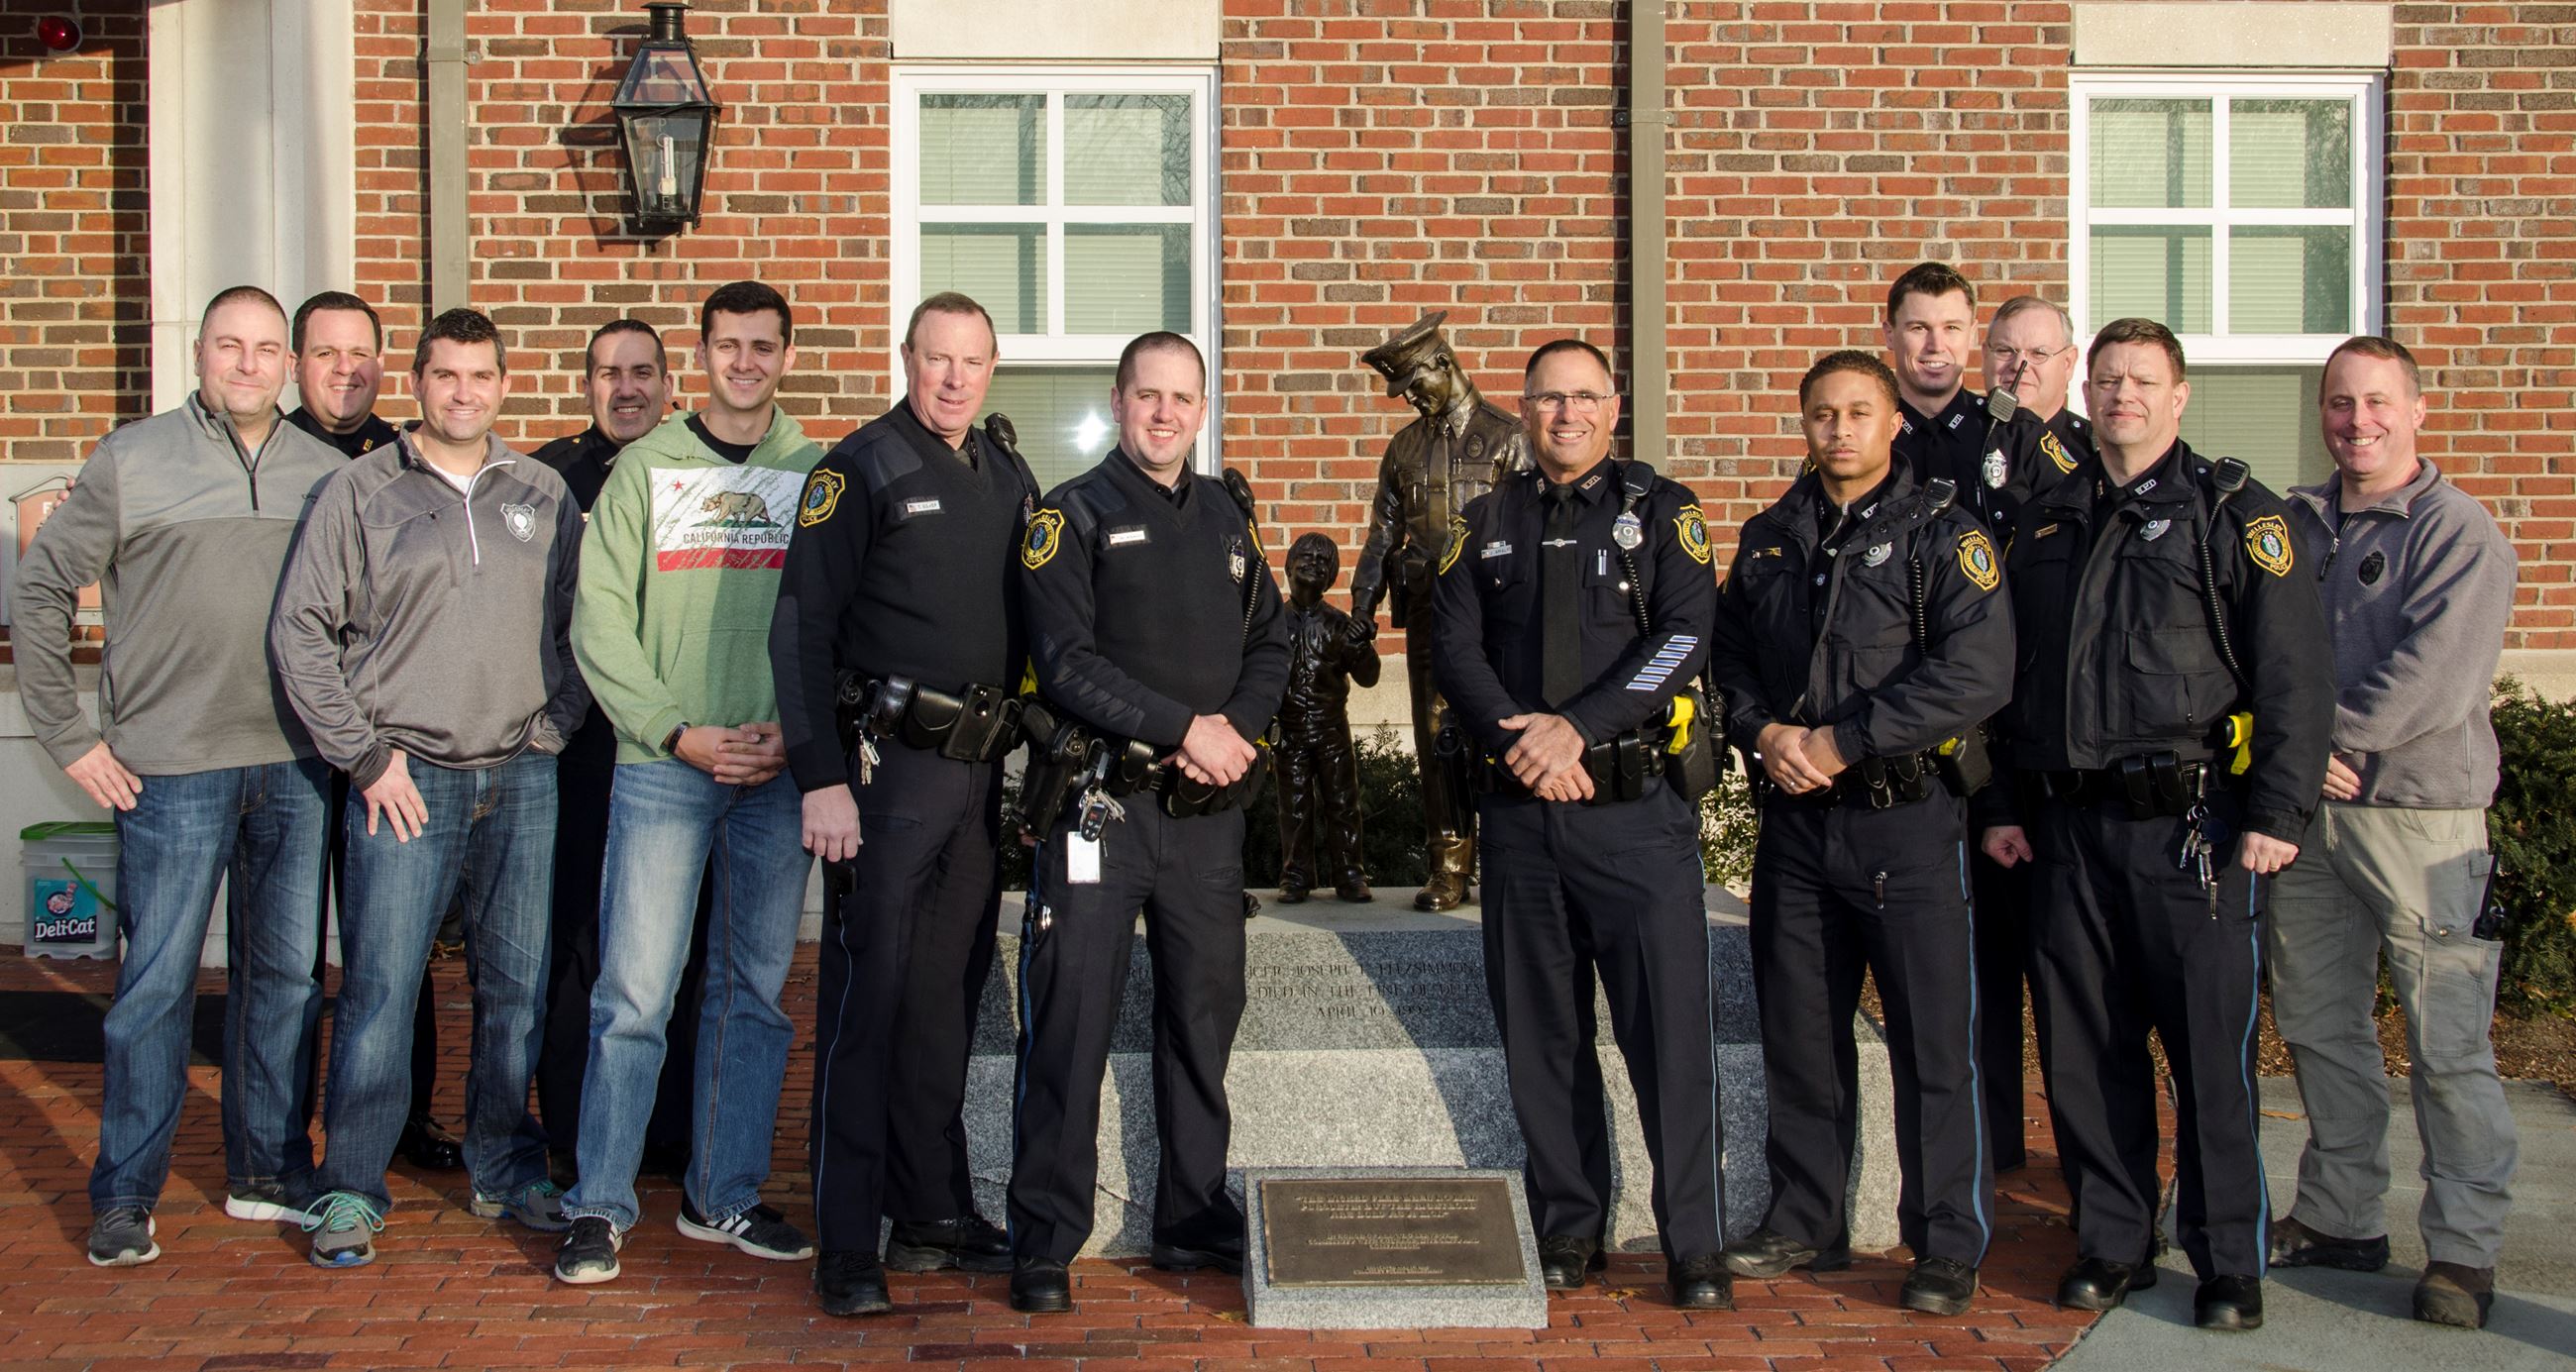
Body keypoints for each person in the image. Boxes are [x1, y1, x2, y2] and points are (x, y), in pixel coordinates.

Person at [1981, 318, 2332, 1332]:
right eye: (2106, 379)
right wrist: (2000, 803)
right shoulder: (2044, 520)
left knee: (2207, 1059)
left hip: (2194, 833)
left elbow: (2293, 676)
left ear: (2178, 397)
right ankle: (2112, 1238)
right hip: (2066, 831)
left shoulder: (2233, 513)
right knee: (2085, 1051)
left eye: (2142, 379)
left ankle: (2228, 1257)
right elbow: (2007, 683)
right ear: (2084, 394)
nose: (2121, 393)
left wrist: (2276, 808)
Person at [15, 285, 345, 1267]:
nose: (246, 363)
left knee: (284, 981)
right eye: (227, 345)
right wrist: (67, 733)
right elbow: (38, 587)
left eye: (264, 348)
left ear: (288, 364)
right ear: (197, 353)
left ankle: (269, 1166)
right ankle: (125, 1191)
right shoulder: (132, 458)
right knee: (154, 986)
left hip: (292, 767)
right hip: (168, 770)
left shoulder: (327, 474)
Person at [268, 307, 588, 1267]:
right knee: (377, 989)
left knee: (516, 991)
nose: (462, 391)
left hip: (521, 777)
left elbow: (586, 625)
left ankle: (502, 1160)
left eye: (479, 375)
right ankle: (353, 1185)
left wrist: (554, 726)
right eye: (444, 374)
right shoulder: (359, 491)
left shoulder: (542, 492)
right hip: (403, 781)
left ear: (502, 381)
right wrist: (366, 757)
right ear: (416, 382)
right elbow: (300, 632)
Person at [1708, 351, 2013, 1316]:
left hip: (1904, 823)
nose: (1838, 430)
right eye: (1821, 415)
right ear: (1801, 423)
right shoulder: (1768, 539)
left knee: (1933, 1043)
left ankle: (1944, 1239)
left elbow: (1976, 672)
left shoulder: (1941, 534)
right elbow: (1726, 663)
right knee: (1799, 1034)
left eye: (1856, 413)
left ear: (1890, 424)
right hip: (1796, 826)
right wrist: (1760, 731)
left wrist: (1841, 740)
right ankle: (1805, 1218)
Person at [1429, 338, 1729, 1310]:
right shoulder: (1483, 523)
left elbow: (1679, 639)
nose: (1565, 414)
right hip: (1522, 818)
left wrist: (1574, 729)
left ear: (1613, 404)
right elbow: (1451, 644)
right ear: (1524, 411)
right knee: (1540, 1033)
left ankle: (1693, 1240)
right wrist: (1524, 744)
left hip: (1632, 818)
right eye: (1547, 398)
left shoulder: (1662, 514)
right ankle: (1568, 1222)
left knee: (1667, 1039)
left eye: (1583, 397)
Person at [1005, 331, 1288, 1315]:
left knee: (1202, 1014)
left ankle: (1189, 1206)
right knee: (1071, 1016)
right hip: (1101, 808)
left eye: (1182, 398)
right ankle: (1043, 1235)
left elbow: (1272, 638)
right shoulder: (1068, 515)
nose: (1165, 413)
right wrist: (1183, 726)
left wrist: (1234, 734)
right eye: (1147, 395)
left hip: (1206, 818)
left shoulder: (1224, 516)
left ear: (1201, 410)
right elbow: (1066, 660)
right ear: (1118, 403)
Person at [771, 291, 1038, 1316]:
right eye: (936, 359)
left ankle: (930, 1210)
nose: (953, 378)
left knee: (943, 1002)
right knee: (863, 1005)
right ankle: (847, 1242)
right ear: (908, 358)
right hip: (882, 779)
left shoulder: (1006, 472)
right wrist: (819, 774)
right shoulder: (857, 468)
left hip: (974, 778)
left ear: (991, 366)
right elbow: (799, 630)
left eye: (972, 361)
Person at [554, 281, 822, 1285]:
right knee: (633, 992)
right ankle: (597, 1202)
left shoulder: (814, 472)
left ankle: (725, 1194)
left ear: (786, 353)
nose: (744, 362)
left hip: (774, 770)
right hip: (663, 766)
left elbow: (839, 620)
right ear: (699, 355)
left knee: (752, 993)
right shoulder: (643, 469)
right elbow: (599, 620)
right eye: (726, 345)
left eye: (762, 345)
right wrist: (677, 730)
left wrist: (795, 737)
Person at [2270, 336, 2520, 1330]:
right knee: (2318, 1023)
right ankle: (2338, 1213)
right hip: (2313, 817)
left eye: (2376, 402)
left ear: (2415, 410)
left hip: (2420, 817)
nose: (2355, 421)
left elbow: (2437, 671)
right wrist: (2293, 754)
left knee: (2445, 1039)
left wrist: (2321, 736)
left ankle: (2461, 1246)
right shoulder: (2292, 521)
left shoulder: (2458, 530)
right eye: (2338, 402)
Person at [285, 288, 464, 1176]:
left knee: (395, 944)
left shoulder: (406, 463)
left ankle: (403, 1118)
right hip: (290, 744)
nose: (345, 371)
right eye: (326, 354)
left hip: (386, 748)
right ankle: (285, 1136)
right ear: (296, 362)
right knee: (285, 958)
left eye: (361, 355)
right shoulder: (273, 454)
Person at [527, 318, 704, 1177]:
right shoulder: (544, 479)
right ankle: (571, 1133)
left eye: (642, 372)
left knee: (680, 942)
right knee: (580, 940)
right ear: (586, 384)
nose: (625, 388)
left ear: (671, 383)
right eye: (608, 373)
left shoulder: (696, 468)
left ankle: (667, 1133)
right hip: (577, 746)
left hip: (674, 745)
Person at [1959, 292, 2093, 1173]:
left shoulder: (2088, 461)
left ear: (2070, 359)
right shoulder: (1959, 453)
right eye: (2005, 353)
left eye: (2039, 354)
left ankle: (2085, 1161)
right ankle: (1993, 1148)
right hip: (1976, 748)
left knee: (2073, 982)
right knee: (1981, 977)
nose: (2020, 369)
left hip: (2058, 758)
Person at [1349, 311, 1534, 910]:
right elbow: (1382, 534)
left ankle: (1512, 857)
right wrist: (1362, 607)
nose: (1410, 401)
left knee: (1504, 729)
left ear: (1442, 365)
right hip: (1429, 612)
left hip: (1498, 615)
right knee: (1436, 739)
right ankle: (1448, 865)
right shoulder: (1404, 447)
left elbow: (1535, 535)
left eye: (1414, 386)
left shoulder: (1508, 439)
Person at [1273, 532, 1382, 904]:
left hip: (1331, 730)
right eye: (1306, 557)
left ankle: (1350, 873)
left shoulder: (1338, 625)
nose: (1314, 565)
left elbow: (1369, 677)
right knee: (1295, 806)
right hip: (1289, 732)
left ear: (1333, 576)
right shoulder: (1271, 624)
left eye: (1324, 562)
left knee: (1342, 803)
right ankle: (1296, 874)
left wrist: (1360, 645)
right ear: (1288, 566)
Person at [1884, 262, 2002, 524]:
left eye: (1951, 328)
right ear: (1890, 335)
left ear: (1972, 334)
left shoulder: (2012, 435)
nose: (1936, 346)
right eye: (1919, 328)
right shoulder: (1862, 437)